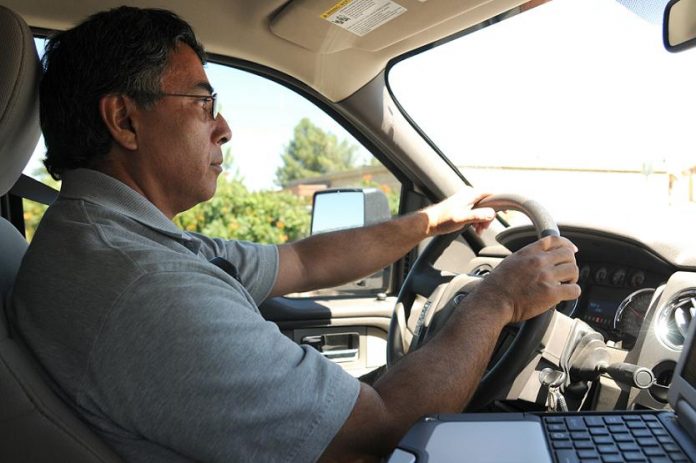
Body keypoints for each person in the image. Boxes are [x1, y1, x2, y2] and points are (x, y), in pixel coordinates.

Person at [11, 6, 580, 463]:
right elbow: (377, 434)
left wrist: (433, 219)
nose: (224, 128)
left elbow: (302, 261)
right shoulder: (146, 286)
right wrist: (498, 299)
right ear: (125, 120)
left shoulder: (110, 238)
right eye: (203, 102)